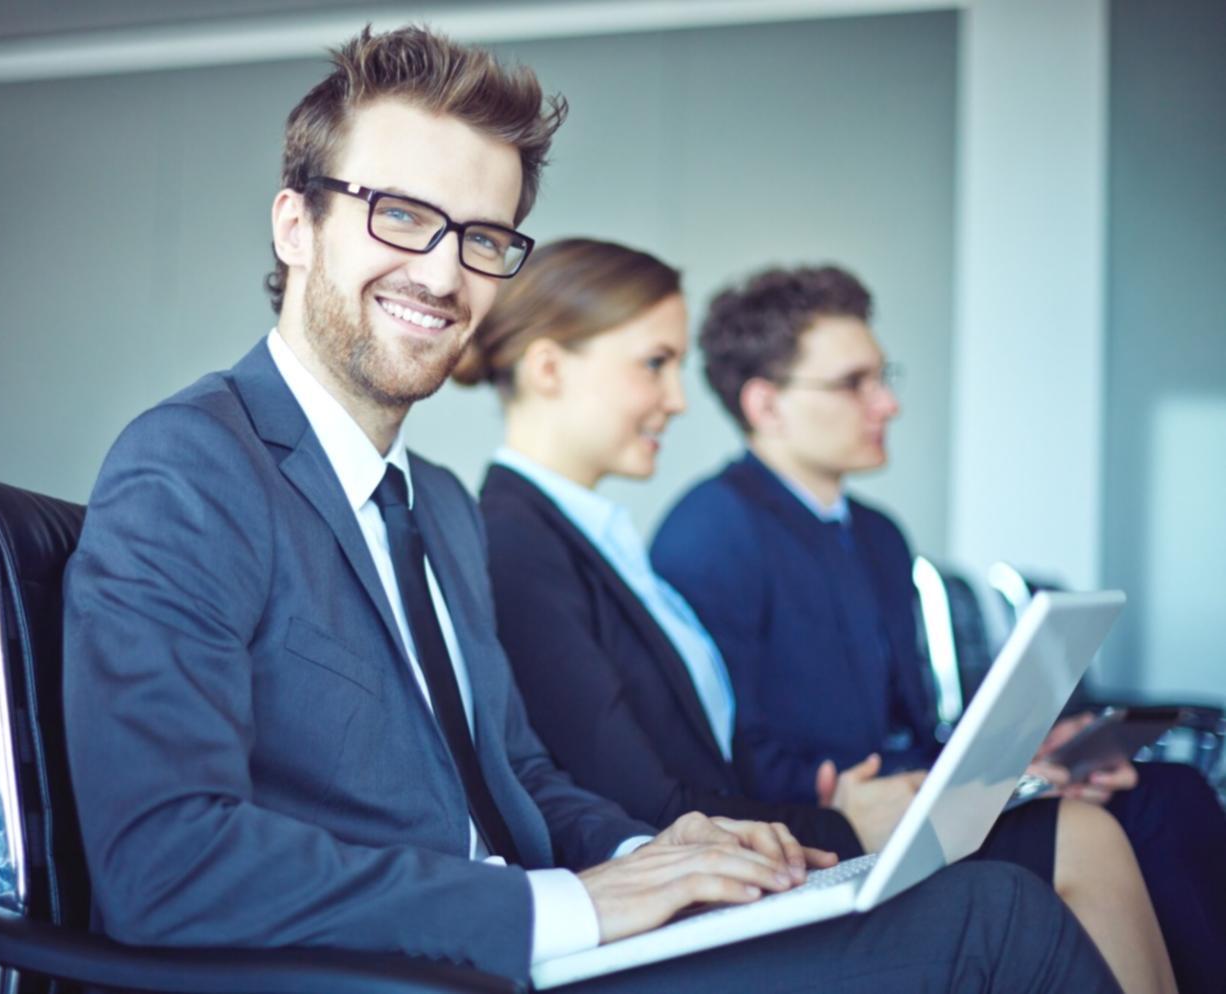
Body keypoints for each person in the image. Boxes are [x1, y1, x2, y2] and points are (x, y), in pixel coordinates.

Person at [62, 28, 1124, 992]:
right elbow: (165, 862)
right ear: (296, 222)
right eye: (398, 214)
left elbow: (516, 776)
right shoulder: (190, 468)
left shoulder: (433, 502)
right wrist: (568, 904)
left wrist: (652, 856)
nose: (442, 272)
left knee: (987, 902)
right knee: (993, 923)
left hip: (532, 945)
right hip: (413, 966)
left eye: (483, 236)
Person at [460, 237, 1175, 994]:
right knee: (1050, 866)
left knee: (1118, 822)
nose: (678, 397)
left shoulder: (600, 539)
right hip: (710, 874)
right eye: (653, 364)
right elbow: (642, 801)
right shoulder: (518, 542)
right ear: (547, 369)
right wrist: (842, 823)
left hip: (765, 834)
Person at [650, 263, 1226, 994]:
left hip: (916, 800)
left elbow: (908, 725)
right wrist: (908, 786)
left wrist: (1026, 759)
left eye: (882, 375)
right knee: (1139, 817)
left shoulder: (878, 535)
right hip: (828, 833)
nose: (886, 403)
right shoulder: (711, 533)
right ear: (767, 404)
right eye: (854, 383)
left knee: (1163, 792)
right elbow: (724, 755)